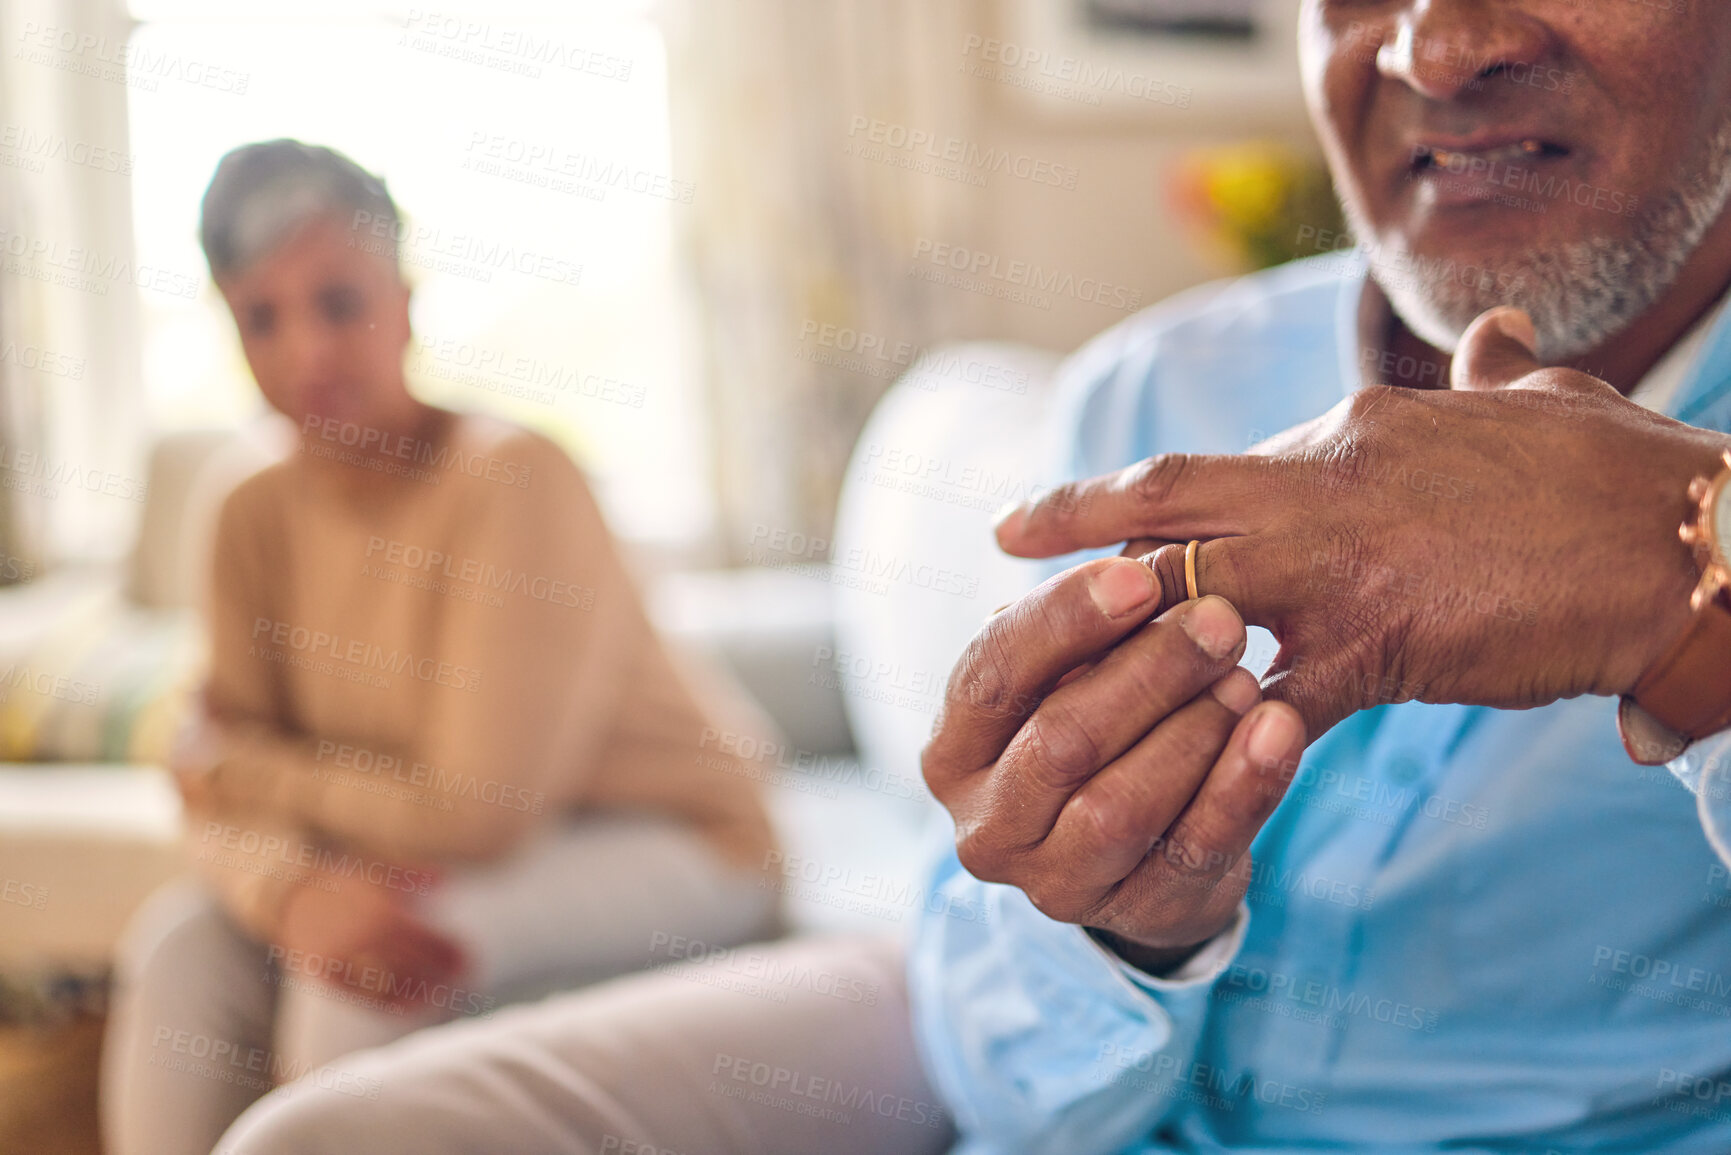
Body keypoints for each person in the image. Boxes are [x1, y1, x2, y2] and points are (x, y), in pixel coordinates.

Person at [217, 3, 1731, 1152]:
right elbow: (989, 1026)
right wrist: (1121, 922)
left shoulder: (506, 474)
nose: (1437, 43)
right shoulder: (1154, 390)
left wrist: (1692, 585)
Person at [100, 140, 781, 1155]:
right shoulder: (245, 510)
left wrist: (240, 767)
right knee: (181, 947)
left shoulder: (513, 478)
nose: (307, 352)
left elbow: (477, 813)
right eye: (261, 317)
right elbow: (210, 797)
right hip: (419, 849)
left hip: (675, 837)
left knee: (362, 972)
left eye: (338, 302)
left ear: (405, 300)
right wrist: (288, 891)